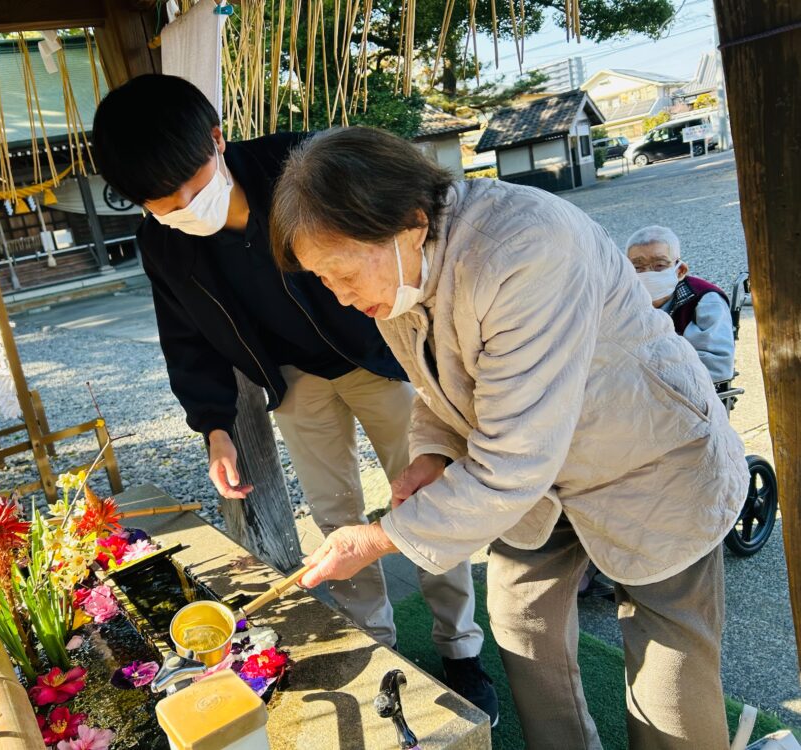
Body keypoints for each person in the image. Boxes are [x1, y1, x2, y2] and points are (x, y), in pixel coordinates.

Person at [270, 126, 749, 750]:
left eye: (339, 271)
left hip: (648, 457)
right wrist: (432, 454)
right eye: (321, 278)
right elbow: (443, 387)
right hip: (537, 481)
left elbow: (511, 460)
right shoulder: (397, 278)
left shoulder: (524, 247)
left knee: (667, 657)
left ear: (411, 222)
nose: (338, 294)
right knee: (521, 616)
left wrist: (381, 538)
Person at [92, 75, 497, 720]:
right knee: (336, 516)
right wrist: (214, 427)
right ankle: (377, 640)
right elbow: (185, 334)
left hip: (382, 354)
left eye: (188, 189)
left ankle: (460, 647)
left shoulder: (302, 169)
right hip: (294, 379)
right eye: (158, 202)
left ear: (217, 142)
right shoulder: (161, 239)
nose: (178, 208)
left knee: (423, 497)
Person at [626, 225, 735, 383]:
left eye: (659, 265)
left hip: (687, 395)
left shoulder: (703, 300)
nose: (647, 273)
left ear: (680, 270)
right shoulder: (622, 302)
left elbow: (717, 366)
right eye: (637, 267)